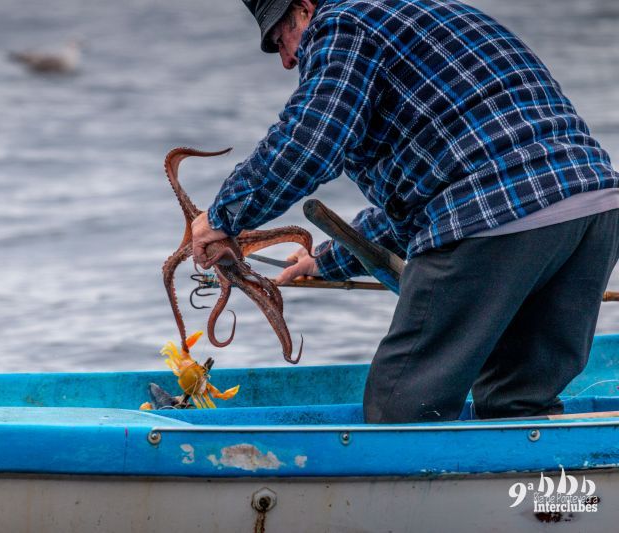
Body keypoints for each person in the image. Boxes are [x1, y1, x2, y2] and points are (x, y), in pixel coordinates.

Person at [191, 0, 619, 423]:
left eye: (280, 38)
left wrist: (221, 218)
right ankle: (540, 490)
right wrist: (325, 260)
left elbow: (311, 141)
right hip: (594, 212)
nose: (286, 60)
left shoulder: (343, 22)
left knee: (403, 408)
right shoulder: (429, 15)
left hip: (498, 219)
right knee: (517, 403)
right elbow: (430, 193)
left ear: (305, 9)